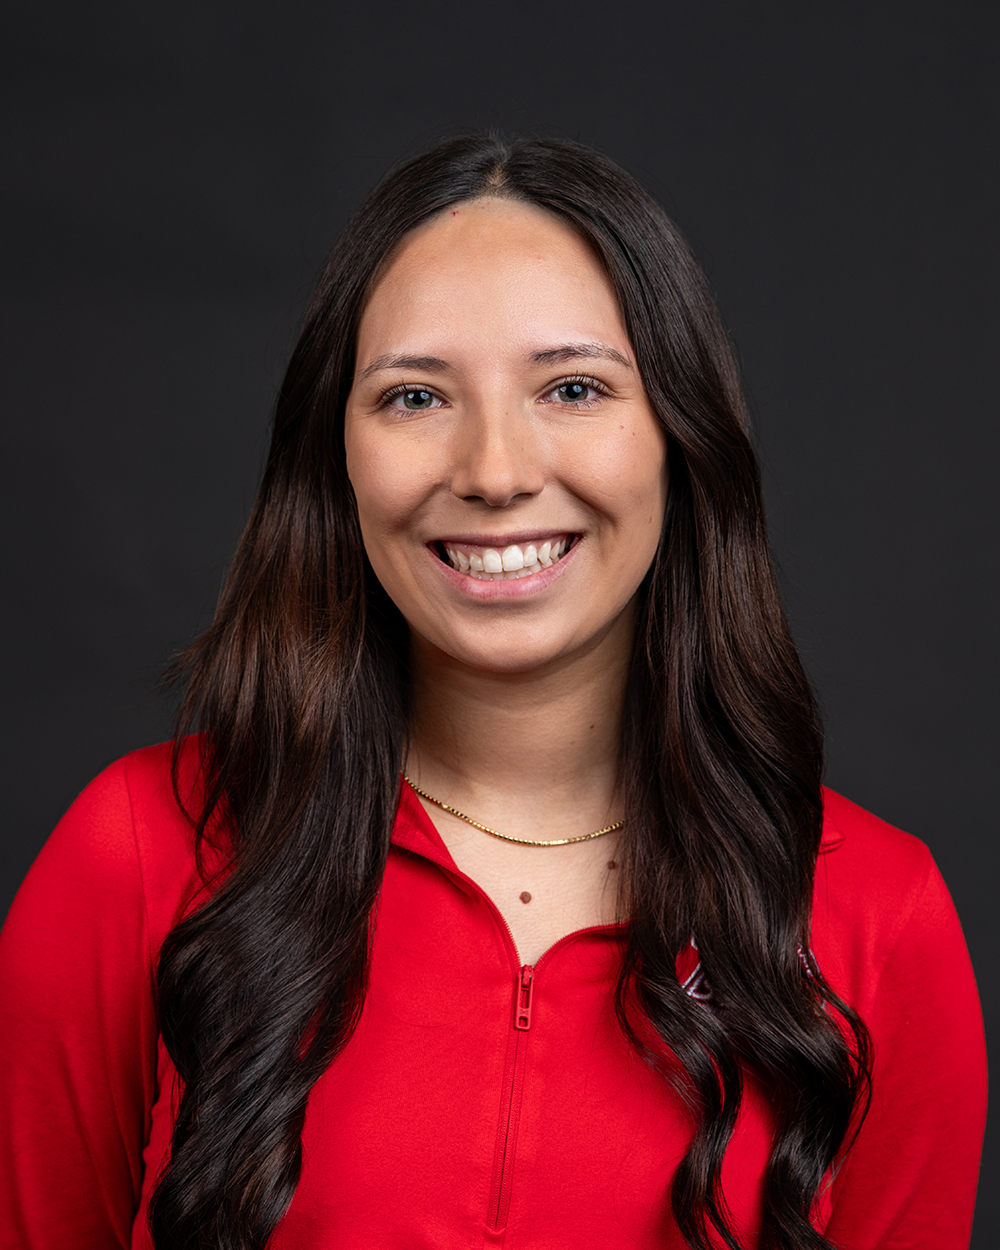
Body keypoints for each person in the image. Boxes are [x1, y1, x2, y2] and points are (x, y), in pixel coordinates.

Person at [0, 135, 986, 1250]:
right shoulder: (139, 852)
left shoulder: (876, 919)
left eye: (572, 387)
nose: (495, 469)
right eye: (415, 395)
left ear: (678, 432)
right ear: (337, 455)